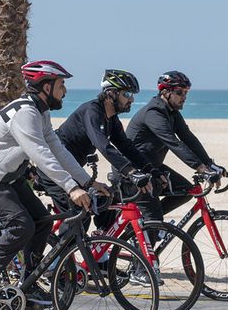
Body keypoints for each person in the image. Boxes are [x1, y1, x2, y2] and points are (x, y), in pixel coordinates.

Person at [0, 60, 111, 305]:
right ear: (46, 87)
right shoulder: (25, 113)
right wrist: (71, 188)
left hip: (6, 175)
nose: (65, 90)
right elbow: (41, 154)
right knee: (21, 225)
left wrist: (86, 181)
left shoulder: (40, 111)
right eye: (61, 84)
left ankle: (28, 282)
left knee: (40, 221)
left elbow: (57, 149)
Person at [34, 69, 153, 230]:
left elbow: (126, 147)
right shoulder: (92, 111)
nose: (131, 99)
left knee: (108, 198)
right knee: (79, 217)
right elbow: (103, 145)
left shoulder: (111, 119)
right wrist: (131, 172)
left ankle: (100, 244)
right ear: (110, 93)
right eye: (127, 94)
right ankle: (62, 255)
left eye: (132, 95)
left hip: (73, 171)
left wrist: (151, 170)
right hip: (53, 170)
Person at [126, 71, 226, 230]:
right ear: (165, 92)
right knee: (153, 221)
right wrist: (200, 168)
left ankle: (140, 225)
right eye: (179, 92)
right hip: (134, 171)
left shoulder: (171, 112)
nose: (184, 96)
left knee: (186, 191)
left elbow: (188, 138)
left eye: (186, 92)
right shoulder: (154, 113)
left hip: (152, 167)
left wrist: (210, 164)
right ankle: (147, 226)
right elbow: (173, 142)